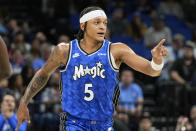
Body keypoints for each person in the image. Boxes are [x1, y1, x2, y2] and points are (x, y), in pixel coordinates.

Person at [16, 6, 168, 131]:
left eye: (105, 23)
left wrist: (157, 60)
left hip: (104, 123)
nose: (102, 26)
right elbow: (43, 73)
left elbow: (152, 70)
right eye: (97, 22)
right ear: (83, 25)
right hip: (74, 123)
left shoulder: (116, 50)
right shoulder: (65, 51)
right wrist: (24, 102)